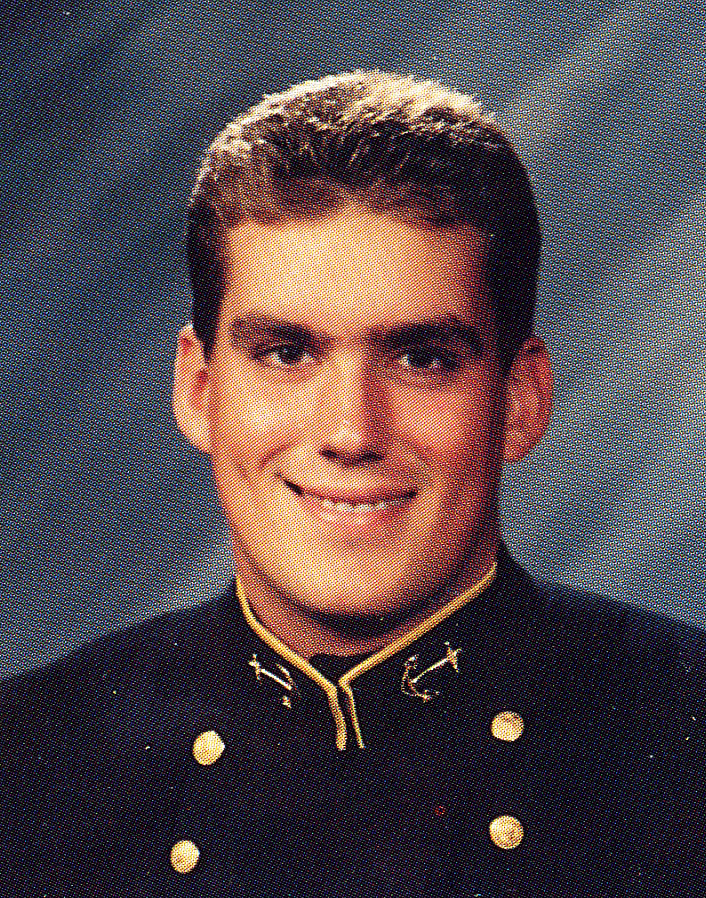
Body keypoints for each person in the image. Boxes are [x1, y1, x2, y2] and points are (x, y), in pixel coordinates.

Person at [1, 68, 704, 898]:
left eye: (421, 358)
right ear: (198, 391)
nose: (351, 432)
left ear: (520, 400)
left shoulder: (682, 729)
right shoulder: (28, 761)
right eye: (286, 353)